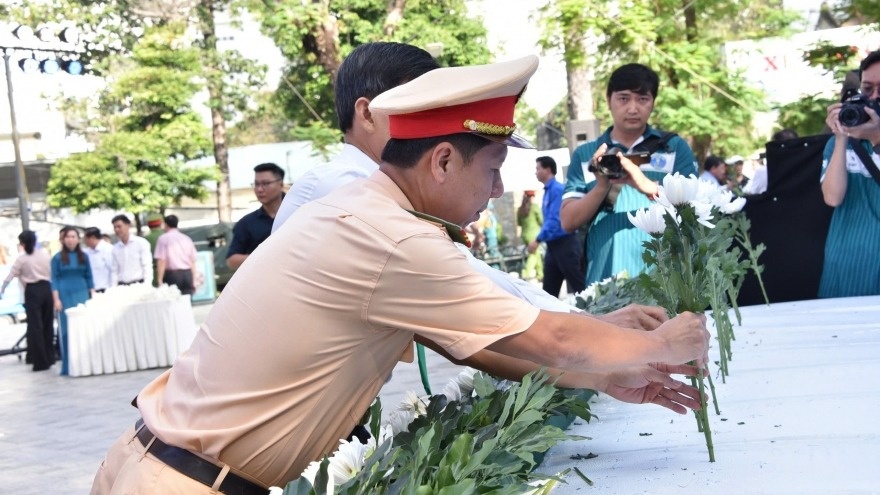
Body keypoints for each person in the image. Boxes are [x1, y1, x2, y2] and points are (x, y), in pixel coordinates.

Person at [92, 55, 709, 494]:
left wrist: (607, 375)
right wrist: (663, 344)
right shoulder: (395, 238)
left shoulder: (368, 210)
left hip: (158, 465)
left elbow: (478, 347)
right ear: (441, 161)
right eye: (492, 167)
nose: (498, 188)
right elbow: (553, 339)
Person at [271, 42, 575, 312]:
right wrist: (573, 320)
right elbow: (464, 279)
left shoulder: (385, 188)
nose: (430, 120)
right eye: (413, 106)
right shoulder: (342, 189)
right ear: (367, 114)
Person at [560, 63, 697, 285]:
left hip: (666, 277)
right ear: (608, 101)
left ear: (653, 102)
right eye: (623, 98)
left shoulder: (674, 148)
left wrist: (646, 185)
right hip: (605, 277)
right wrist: (602, 186)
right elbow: (567, 222)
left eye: (642, 99)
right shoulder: (586, 154)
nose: (633, 108)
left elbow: (695, 208)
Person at [818, 49, 880, 298]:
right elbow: (832, 197)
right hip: (845, 262)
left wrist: (876, 139)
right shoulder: (836, 144)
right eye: (868, 89)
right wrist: (842, 136)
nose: (874, 97)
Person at [528, 156, 585, 298]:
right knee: (548, 292)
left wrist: (538, 239)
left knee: (581, 288)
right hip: (553, 246)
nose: (535, 172)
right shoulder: (548, 191)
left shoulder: (557, 190)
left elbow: (555, 220)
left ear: (547, 170)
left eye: (538, 168)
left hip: (566, 244)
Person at [0, 231, 54, 372]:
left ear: (22, 243)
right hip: (46, 289)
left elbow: (11, 275)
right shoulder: (44, 255)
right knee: (48, 324)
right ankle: (50, 357)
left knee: (35, 327)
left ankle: (40, 362)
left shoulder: (22, 258)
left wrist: (2, 289)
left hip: (32, 291)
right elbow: (51, 272)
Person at [52, 226, 95, 376]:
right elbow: (54, 280)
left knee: (84, 328)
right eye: (68, 237)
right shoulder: (57, 258)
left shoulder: (85, 256)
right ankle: (69, 365)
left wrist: (92, 295)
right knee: (67, 330)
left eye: (73, 236)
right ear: (63, 240)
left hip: (82, 293)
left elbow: (89, 277)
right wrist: (56, 299)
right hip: (65, 294)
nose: (70, 240)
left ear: (78, 239)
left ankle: (86, 362)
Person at [226, 163, 285, 270]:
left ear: (281, 184)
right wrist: (263, 258)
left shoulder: (299, 213)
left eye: (265, 183)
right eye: (256, 184)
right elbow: (232, 260)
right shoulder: (246, 223)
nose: (260, 189)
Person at [153, 215, 198, 295]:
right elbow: (192, 261)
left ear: (165, 224)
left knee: (173, 300)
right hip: (187, 274)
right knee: (187, 300)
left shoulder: (163, 239)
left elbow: (161, 260)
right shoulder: (186, 238)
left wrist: (160, 280)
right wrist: (194, 279)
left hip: (172, 275)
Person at [110, 214, 153, 287]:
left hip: (138, 284)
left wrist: (147, 284)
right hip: (122, 286)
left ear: (128, 225)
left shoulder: (141, 243)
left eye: (119, 226)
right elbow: (114, 270)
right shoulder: (115, 248)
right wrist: (113, 287)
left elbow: (147, 265)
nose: (116, 229)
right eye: (115, 227)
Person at [517, 190, 543, 281]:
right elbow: (541, 220)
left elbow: (519, 223)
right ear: (531, 197)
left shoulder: (520, 209)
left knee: (536, 254)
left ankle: (540, 274)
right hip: (534, 235)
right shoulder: (534, 207)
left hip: (525, 235)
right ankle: (526, 273)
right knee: (533, 254)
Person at [82, 227, 113, 293]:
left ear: (92, 238)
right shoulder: (86, 252)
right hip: (91, 290)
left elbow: (113, 271)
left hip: (106, 289)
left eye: (85, 238)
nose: (84, 241)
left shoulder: (108, 249)